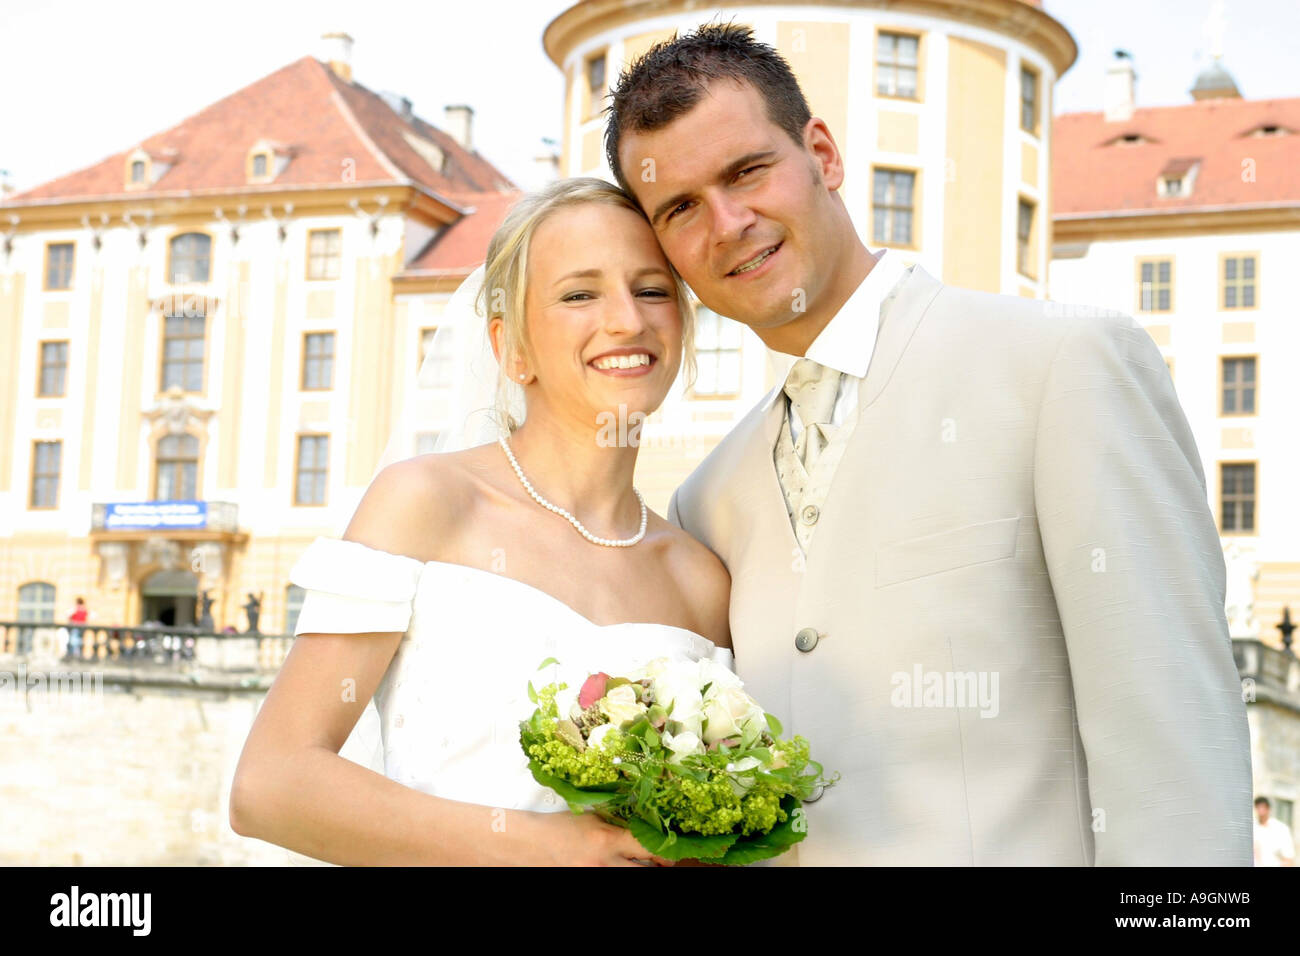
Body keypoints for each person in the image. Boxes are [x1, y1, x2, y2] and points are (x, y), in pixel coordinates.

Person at [606, 23, 1254, 864]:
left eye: (747, 172)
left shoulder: (1061, 366)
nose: (726, 224)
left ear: (824, 155)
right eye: (680, 208)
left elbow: (1176, 754)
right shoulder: (709, 499)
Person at [229, 178, 732, 866]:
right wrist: (545, 848)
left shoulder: (700, 578)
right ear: (510, 347)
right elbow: (270, 785)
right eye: (580, 294)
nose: (627, 320)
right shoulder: (426, 504)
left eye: (651, 290)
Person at [1254, 797, 1296, 867]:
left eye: (1263, 807)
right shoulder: (1253, 827)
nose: (1261, 811)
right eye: (1258, 807)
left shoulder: (1281, 829)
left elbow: (1288, 859)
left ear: (1268, 809)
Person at [65, 597, 89, 662]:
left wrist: (71, 622)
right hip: (81, 628)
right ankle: (77, 656)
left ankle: (73, 656)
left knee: (74, 642)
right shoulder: (84, 609)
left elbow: (68, 615)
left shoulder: (76, 609)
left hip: (75, 628)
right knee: (79, 642)